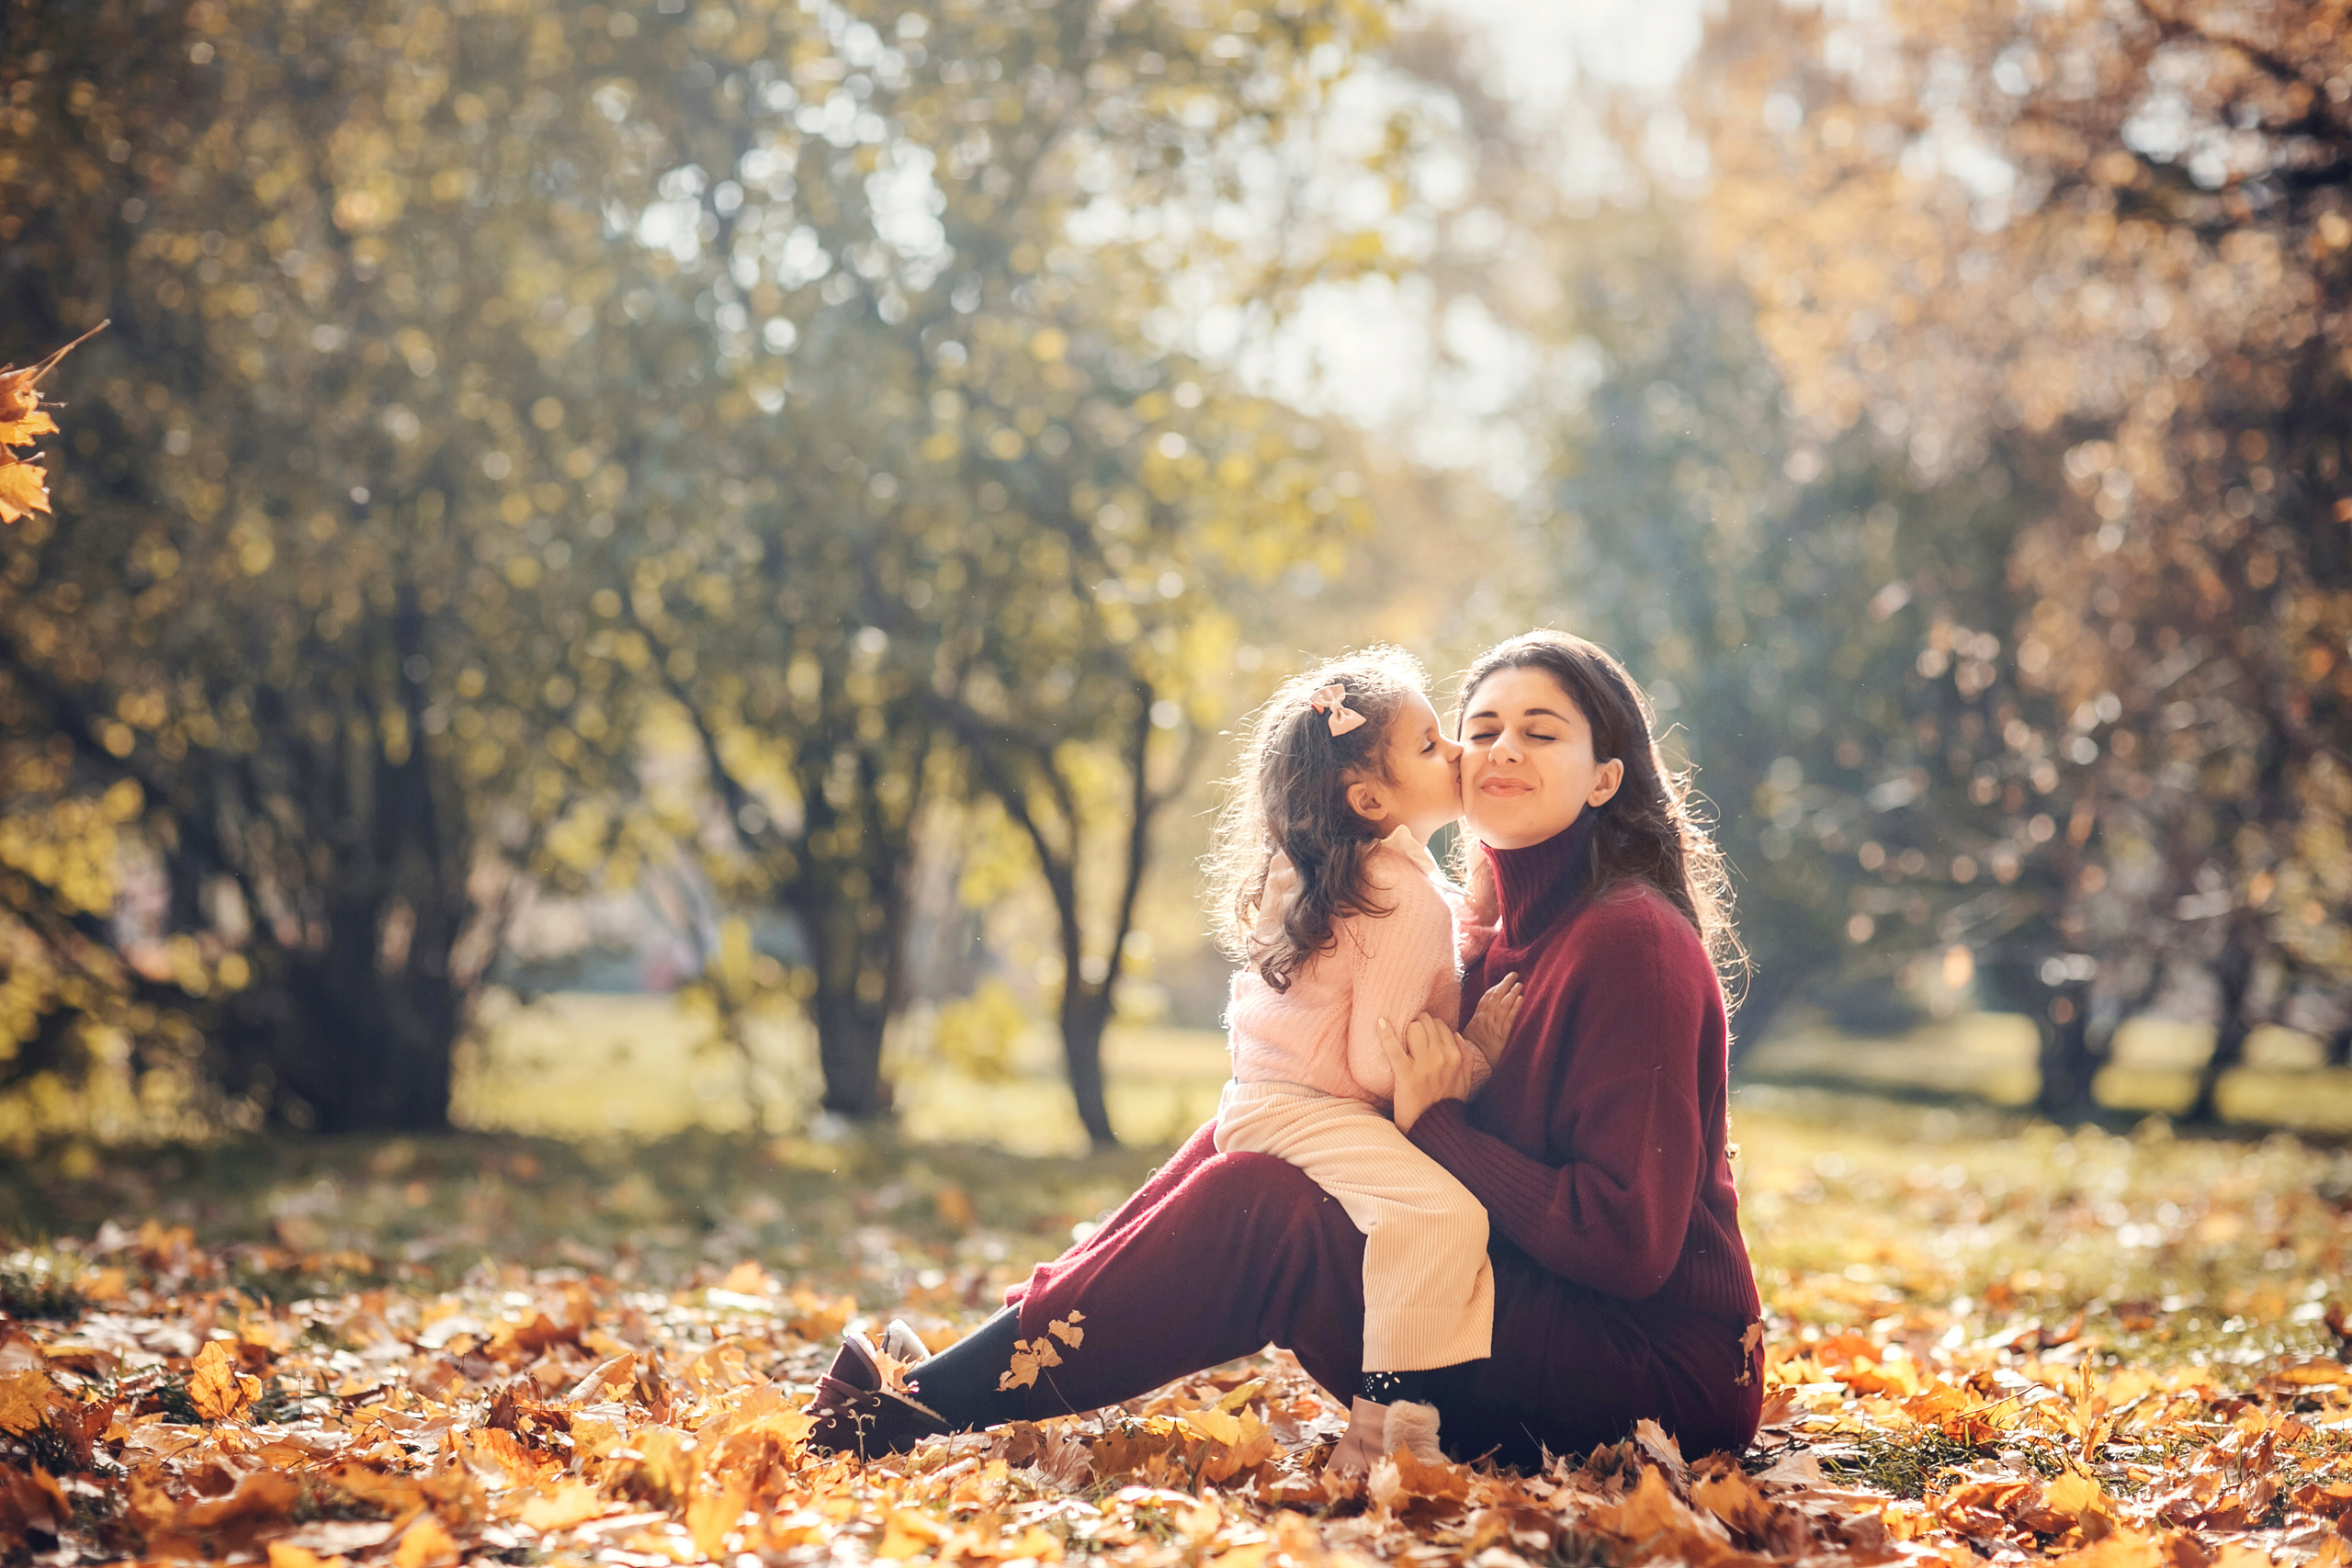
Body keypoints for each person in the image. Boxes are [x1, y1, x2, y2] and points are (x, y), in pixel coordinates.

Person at [804, 631, 1763, 1471]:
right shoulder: (1490, 926)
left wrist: (1439, 1126)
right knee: (1275, 1127)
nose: (1500, 748)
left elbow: (1625, 1244)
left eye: (1542, 731)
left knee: (1267, 1207)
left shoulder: (1629, 941)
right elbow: (1279, 1105)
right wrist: (1072, 1276)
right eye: (1481, 727)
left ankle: (920, 1410)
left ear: (1605, 776)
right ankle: (951, 1379)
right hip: (1521, 1301)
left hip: (1652, 1376)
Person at [1199, 650, 1523, 1472]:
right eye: (1429, 745)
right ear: (1370, 798)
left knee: (1430, 1214)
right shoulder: (1400, 893)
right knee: (1441, 1216)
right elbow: (1377, 1067)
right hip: (1310, 1108)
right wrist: (1474, 1056)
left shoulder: (1372, 875)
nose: (1457, 750)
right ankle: (1380, 1436)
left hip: (1269, 1100)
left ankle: (1398, 1422)